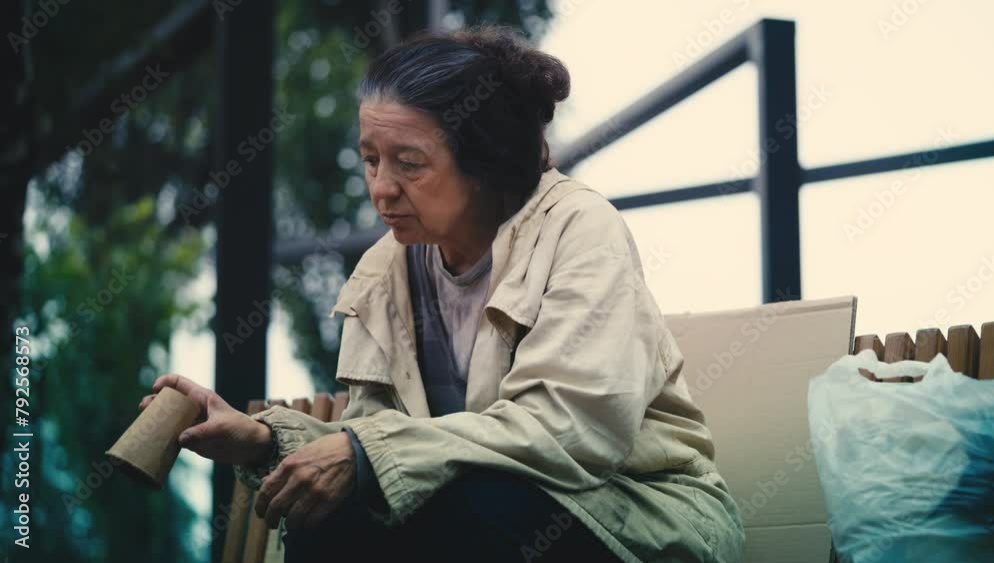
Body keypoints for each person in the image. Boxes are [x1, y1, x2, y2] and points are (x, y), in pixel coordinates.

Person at [141, 25, 744, 562]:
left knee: (477, 505)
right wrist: (262, 440)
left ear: (485, 160)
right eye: (370, 160)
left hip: (633, 517)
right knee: (334, 519)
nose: (382, 189)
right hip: (479, 512)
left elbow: (572, 433)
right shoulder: (384, 270)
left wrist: (364, 455)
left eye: (409, 163)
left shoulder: (578, 230)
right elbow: (378, 445)